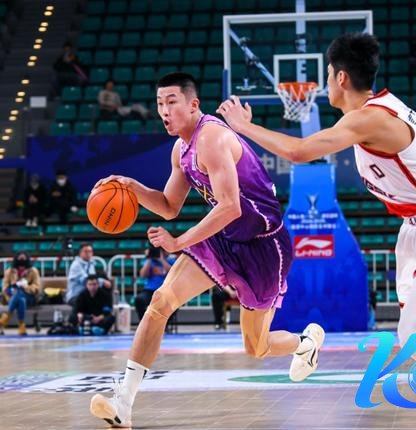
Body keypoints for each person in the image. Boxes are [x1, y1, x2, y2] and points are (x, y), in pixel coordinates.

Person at [218, 33, 416, 430]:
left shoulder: (369, 118)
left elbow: (299, 152)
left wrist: (243, 127)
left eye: (327, 74)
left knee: (413, 338)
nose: (325, 82)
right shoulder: (391, 109)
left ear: (340, 77)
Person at [89, 72, 324, 428]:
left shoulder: (211, 137)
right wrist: (132, 187)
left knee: (256, 347)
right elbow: (169, 206)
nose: (164, 111)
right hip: (223, 239)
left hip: (263, 248)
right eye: (159, 103)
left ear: (193, 104)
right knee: (160, 303)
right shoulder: (180, 150)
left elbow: (230, 206)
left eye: (172, 102)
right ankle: (123, 402)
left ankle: (304, 343)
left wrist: (178, 242)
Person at [0, 252, 41, 335]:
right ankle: (21, 326)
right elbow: (5, 289)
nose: (22, 261)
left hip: (30, 297)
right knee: (20, 299)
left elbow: (37, 287)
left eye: (23, 259)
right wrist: (13, 287)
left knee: (20, 294)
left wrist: (26, 287)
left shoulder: (33, 271)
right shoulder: (9, 271)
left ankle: (6, 318)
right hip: (12, 297)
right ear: (16, 259)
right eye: (20, 259)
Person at [134, 245, 174, 321]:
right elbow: (142, 275)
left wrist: (161, 259)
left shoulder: (170, 261)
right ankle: (144, 322)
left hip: (165, 290)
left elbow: (172, 272)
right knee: (139, 299)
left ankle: (163, 325)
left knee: (172, 303)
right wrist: (149, 258)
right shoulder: (149, 262)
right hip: (149, 290)